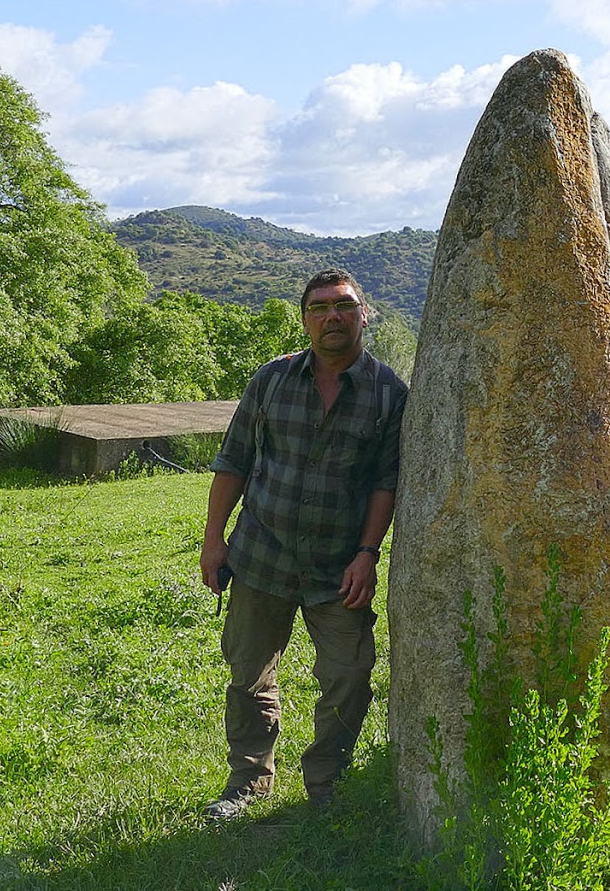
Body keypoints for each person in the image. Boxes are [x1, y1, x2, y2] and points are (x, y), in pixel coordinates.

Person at [200, 268, 408, 820]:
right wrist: (214, 540)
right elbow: (233, 460)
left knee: (349, 676)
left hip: (338, 569)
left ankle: (327, 782)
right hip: (260, 556)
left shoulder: (389, 393)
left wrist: (368, 554)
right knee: (248, 676)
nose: (331, 316)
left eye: (343, 305)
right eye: (319, 307)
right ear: (305, 319)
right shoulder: (272, 379)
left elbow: (386, 481)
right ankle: (248, 780)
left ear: (364, 314)